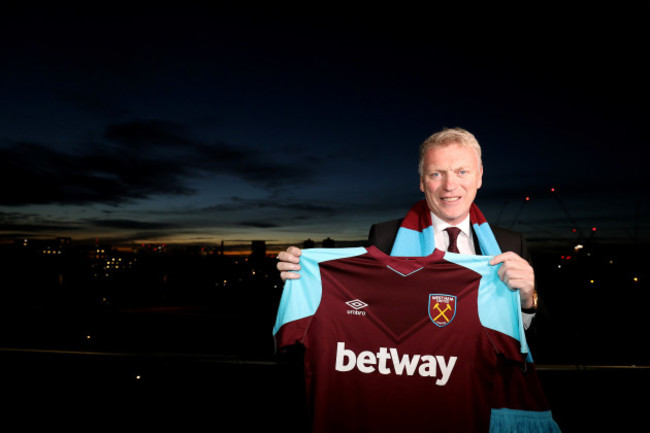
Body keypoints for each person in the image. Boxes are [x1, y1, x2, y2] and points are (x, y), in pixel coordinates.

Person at [276, 127, 538, 326]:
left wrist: (527, 299)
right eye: (436, 174)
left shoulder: (511, 245)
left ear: (479, 176)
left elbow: (533, 338)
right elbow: (358, 309)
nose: (449, 186)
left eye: (462, 172)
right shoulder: (385, 237)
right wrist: (307, 276)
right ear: (422, 182)